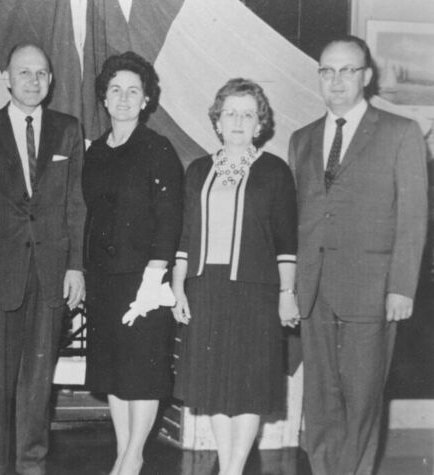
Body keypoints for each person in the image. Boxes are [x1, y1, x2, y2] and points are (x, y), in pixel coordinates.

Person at [288, 36, 427, 475]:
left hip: (371, 289)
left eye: (348, 70)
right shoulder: (302, 139)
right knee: (321, 400)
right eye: (327, 71)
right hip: (313, 292)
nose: (337, 80)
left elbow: (413, 217)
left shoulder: (399, 133)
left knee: (362, 401)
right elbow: (298, 221)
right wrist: (291, 288)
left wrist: (401, 287)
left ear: (366, 76)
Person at [0, 43, 86, 475]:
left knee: (36, 387)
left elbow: (75, 205)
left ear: (51, 81)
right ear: (6, 78)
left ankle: (32, 467)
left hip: (50, 275)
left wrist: (75, 267)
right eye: (24, 72)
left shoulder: (68, 129)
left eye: (42, 73)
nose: (33, 81)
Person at [172, 78, 298, 475]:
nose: (239, 121)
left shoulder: (275, 171)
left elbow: (286, 240)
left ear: (260, 123)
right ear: (217, 121)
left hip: (256, 292)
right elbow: (185, 236)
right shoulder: (198, 170)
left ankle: (233, 470)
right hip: (206, 288)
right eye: (231, 113)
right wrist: (178, 286)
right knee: (215, 386)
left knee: (247, 388)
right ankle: (228, 466)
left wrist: (287, 292)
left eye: (248, 114)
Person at [82, 51, 183, 475]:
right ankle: (125, 453)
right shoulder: (95, 152)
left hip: (145, 281)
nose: (123, 98)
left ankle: (133, 455)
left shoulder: (157, 148)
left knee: (141, 371)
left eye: (133, 91)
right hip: (103, 279)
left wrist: (154, 274)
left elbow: (170, 215)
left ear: (146, 100)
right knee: (114, 372)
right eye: (115, 90)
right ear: (104, 98)